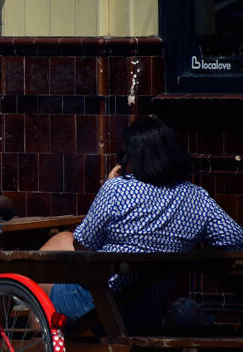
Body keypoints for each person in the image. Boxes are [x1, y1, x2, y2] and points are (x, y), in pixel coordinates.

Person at [40, 117, 243, 332]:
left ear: (136, 157)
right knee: (62, 240)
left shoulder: (118, 189)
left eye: (123, 155)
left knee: (33, 284)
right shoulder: (197, 197)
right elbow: (235, 240)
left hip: (102, 306)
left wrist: (109, 185)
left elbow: (83, 244)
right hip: (150, 312)